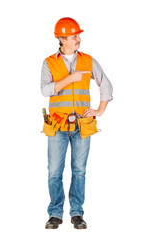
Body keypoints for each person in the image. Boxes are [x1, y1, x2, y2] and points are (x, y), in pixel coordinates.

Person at [41, 17, 113, 229]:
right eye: (74, 36)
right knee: (54, 171)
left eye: (78, 35)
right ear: (62, 39)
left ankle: (77, 214)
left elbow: (106, 85)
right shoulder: (49, 62)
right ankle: (55, 213)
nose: (79, 38)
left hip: (82, 125)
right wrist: (70, 79)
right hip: (57, 126)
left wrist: (100, 110)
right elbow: (45, 90)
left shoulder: (88, 61)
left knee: (79, 170)